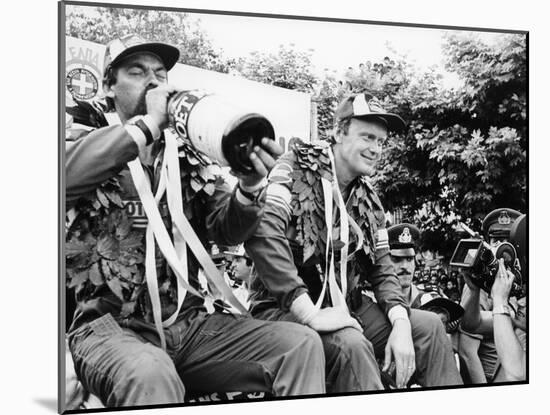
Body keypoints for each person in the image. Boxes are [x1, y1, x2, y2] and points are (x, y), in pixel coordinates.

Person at [65, 35, 326, 409]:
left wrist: (251, 187)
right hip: (110, 329)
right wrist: (149, 122)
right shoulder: (83, 139)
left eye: (160, 73)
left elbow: (228, 229)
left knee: (298, 345)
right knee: (150, 372)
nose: (153, 81)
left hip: (187, 326)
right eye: (137, 72)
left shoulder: (188, 157)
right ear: (109, 84)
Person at [245, 93, 462, 392]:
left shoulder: (368, 196)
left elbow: (383, 268)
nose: (376, 149)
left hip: (347, 306)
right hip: (284, 309)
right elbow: (265, 235)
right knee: (351, 344)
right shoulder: (293, 167)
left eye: (381, 142)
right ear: (337, 132)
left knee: (429, 328)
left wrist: (400, 322)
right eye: (367, 137)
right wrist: (310, 313)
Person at [459, 209, 526, 382]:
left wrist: (500, 301)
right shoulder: (487, 283)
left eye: (508, 242)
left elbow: (517, 372)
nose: (502, 249)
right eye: (496, 241)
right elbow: (471, 325)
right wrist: (474, 291)